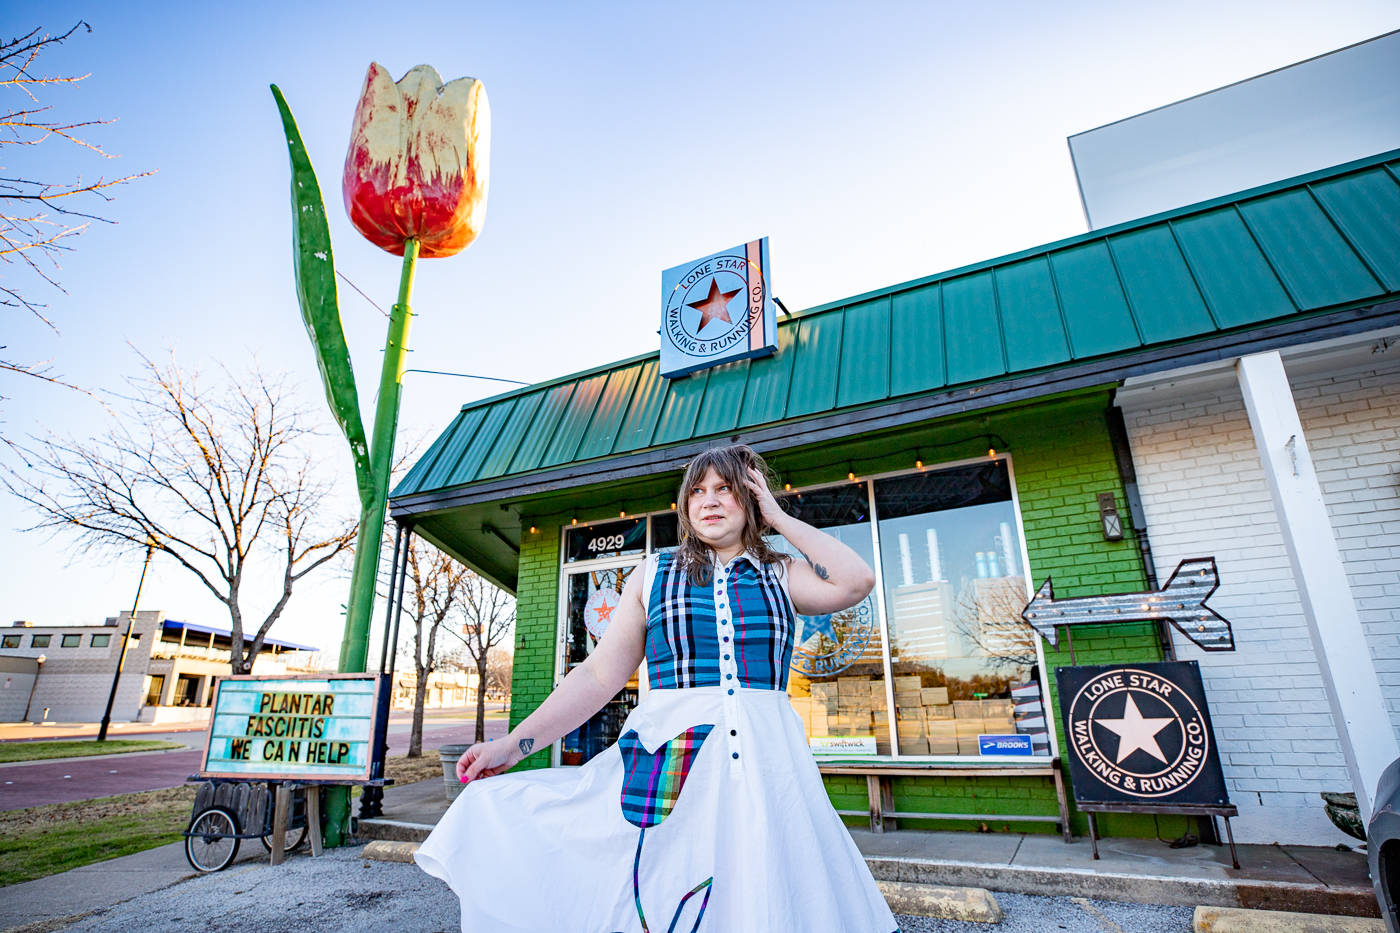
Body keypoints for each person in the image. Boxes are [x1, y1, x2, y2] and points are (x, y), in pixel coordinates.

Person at [415, 444, 898, 933]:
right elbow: (599, 676)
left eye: (726, 489)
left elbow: (856, 580)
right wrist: (513, 745)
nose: (709, 500)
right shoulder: (655, 572)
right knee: (665, 893)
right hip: (669, 763)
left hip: (769, 764)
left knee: (768, 889)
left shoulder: (780, 573)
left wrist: (777, 516)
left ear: (751, 500)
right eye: (698, 491)